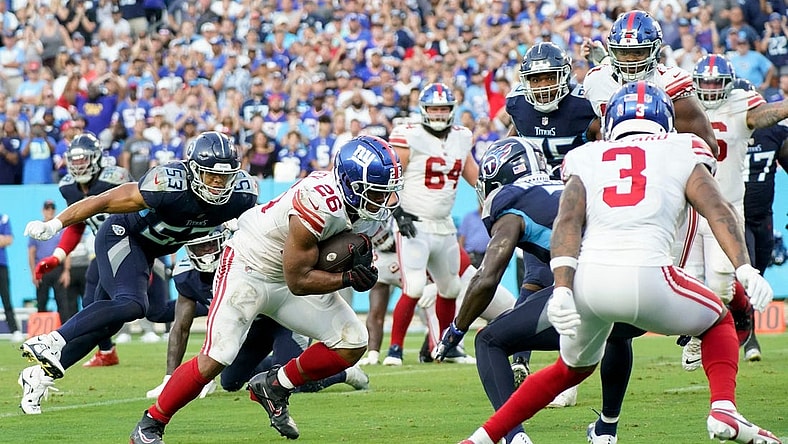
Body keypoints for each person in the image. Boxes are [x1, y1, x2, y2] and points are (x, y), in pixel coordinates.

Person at [458, 80, 779, 444]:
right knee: (719, 320)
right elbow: (717, 210)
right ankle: (724, 409)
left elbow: (567, 223)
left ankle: (482, 438)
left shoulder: (587, 155)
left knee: (569, 369)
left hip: (589, 282)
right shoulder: (682, 147)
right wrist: (744, 267)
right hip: (650, 275)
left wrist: (562, 288)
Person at [129, 135, 402, 443]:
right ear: (351, 185)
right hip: (249, 268)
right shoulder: (318, 203)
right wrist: (347, 279)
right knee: (217, 356)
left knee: (352, 342)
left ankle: (274, 386)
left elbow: (315, 262)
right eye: (377, 193)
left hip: (286, 275)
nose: (384, 201)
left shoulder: (355, 207)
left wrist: (354, 268)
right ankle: (151, 423)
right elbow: (298, 280)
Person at [19, 131, 257, 414]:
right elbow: (104, 201)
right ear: (194, 170)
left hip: (148, 252)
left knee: (105, 325)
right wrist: (55, 225)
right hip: (122, 235)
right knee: (133, 305)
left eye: (225, 177)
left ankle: (38, 376)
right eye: (210, 176)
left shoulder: (242, 195)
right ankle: (50, 340)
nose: (218, 184)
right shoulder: (169, 184)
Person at [436, 137, 645, 444]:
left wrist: (456, 329)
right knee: (616, 330)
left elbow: (487, 278)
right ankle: (606, 430)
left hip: (594, 286)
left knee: (488, 341)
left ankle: (513, 435)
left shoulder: (511, 201)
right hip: (638, 284)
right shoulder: (567, 187)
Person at [145, 228, 370, 399]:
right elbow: (181, 327)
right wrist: (170, 378)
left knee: (289, 381)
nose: (205, 253)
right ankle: (274, 366)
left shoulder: (247, 256)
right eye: (199, 248)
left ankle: (345, 373)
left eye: (210, 245)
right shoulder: (187, 276)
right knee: (231, 381)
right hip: (254, 328)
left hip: (285, 318)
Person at [498, 41, 601, 390]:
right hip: (538, 203)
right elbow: (513, 140)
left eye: (548, 78)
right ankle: (521, 359)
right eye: (536, 79)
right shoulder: (518, 107)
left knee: (575, 284)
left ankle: (567, 368)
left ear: (564, 76)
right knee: (534, 279)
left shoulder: (583, 107)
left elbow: (605, 141)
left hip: (578, 206)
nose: (542, 86)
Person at [681, 55, 788, 371]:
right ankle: (696, 336)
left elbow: (763, 115)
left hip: (727, 208)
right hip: (688, 211)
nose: (712, 89)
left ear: (730, 85)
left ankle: (726, 322)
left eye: (718, 83)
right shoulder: (683, 106)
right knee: (687, 279)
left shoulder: (742, 105)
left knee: (720, 285)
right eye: (706, 82)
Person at [382, 82, 479, 366]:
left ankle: (443, 346)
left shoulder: (462, 137)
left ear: (452, 110)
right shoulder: (408, 135)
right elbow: (390, 176)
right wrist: (396, 210)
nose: (438, 113)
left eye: (443, 108)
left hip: (444, 224)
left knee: (450, 289)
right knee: (412, 287)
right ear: (423, 110)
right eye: (434, 108)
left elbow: (472, 175)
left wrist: (493, 191)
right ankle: (394, 350)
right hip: (413, 222)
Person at [740, 78, 788, 361]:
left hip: (763, 215)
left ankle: (743, 329)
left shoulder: (774, 134)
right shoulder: (727, 133)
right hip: (735, 215)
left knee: (759, 270)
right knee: (748, 276)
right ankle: (750, 339)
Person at [27, 200, 71, 323]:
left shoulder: (60, 229)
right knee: (41, 301)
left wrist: (66, 271)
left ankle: (64, 332)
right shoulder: (36, 229)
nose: (50, 211)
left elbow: (67, 250)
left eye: (52, 208)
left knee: (62, 302)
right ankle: (41, 332)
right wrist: (33, 273)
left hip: (58, 268)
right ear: (43, 210)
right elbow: (31, 252)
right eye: (47, 208)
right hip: (42, 268)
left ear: (55, 210)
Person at [0, 211, 23, 342]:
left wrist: (3, 239)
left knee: (6, 298)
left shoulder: (3, 218)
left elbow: (8, 239)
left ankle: (14, 330)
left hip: (1, 264)